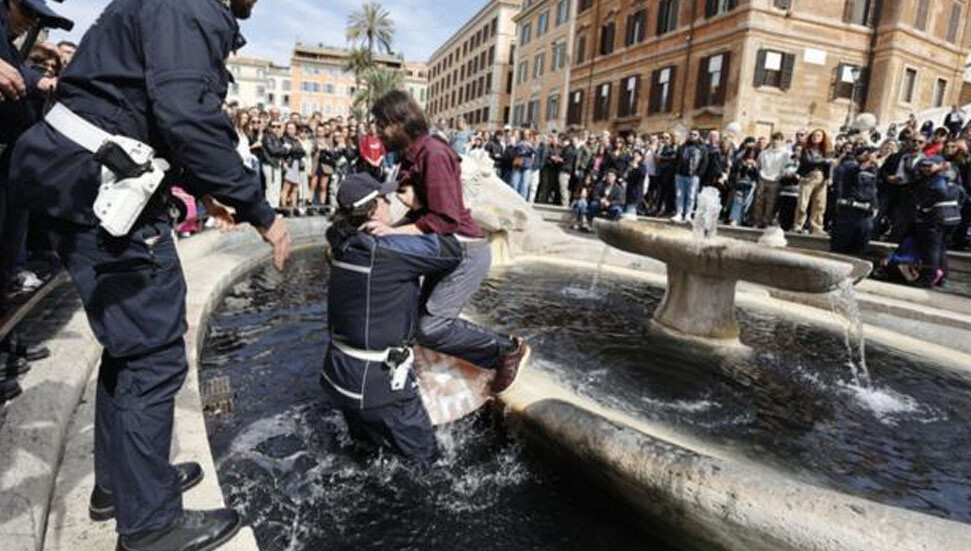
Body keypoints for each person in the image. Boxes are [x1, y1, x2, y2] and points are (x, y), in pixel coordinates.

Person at [9, 1, 293, 550]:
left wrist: (205, 187)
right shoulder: (189, 6)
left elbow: (150, 108)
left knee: (130, 344)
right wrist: (259, 209)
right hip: (99, 184)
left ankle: (123, 486)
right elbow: (185, 114)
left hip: (76, 172)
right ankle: (150, 525)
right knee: (154, 353)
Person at [369, 90, 528, 393]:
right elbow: (425, 214)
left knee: (431, 328)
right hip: (444, 250)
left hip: (465, 251)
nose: (377, 131)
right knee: (419, 324)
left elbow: (445, 218)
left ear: (400, 121)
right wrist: (389, 227)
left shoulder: (434, 153)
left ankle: (507, 350)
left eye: (381, 124)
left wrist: (392, 231)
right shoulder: (412, 155)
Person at [322, 173, 462, 469]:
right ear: (374, 211)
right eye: (385, 199)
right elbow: (451, 251)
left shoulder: (339, 240)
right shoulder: (387, 250)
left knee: (364, 459)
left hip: (339, 377)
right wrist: (415, 224)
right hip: (380, 385)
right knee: (427, 468)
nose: (390, 202)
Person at [1, 0, 70, 404]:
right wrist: (38, 81)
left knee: (8, 269)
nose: (30, 24)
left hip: (12, 166)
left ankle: (8, 348)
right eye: (27, 13)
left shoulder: (11, 45)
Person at [830, 146, 879, 255]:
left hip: (865, 213)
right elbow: (850, 175)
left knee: (860, 245)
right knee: (841, 246)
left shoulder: (874, 171)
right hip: (848, 212)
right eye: (867, 155)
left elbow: (874, 190)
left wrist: (875, 205)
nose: (872, 158)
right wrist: (865, 163)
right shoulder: (849, 166)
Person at [794, 129, 832, 234]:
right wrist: (825, 161)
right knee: (803, 203)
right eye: (814, 135)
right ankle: (798, 224)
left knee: (820, 204)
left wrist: (829, 177)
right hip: (808, 176)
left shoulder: (826, 151)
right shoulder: (806, 149)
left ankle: (817, 226)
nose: (816, 137)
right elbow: (808, 161)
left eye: (819, 136)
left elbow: (829, 166)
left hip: (821, 177)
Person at [752, 132, 788, 227]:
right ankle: (757, 221)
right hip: (763, 178)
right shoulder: (764, 153)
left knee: (771, 202)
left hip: (775, 180)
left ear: (781, 141)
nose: (775, 142)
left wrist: (780, 176)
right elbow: (758, 164)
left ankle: (766, 221)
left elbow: (785, 167)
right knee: (759, 201)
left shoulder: (785, 154)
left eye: (778, 140)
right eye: (774, 139)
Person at [673, 129, 709, 223]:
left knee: (691, 196)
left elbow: (704, 162)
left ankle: (688, 214)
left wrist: (698, 174)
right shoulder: (682, 147)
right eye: (690, 134)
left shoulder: (702, 148)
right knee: (679, 195)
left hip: (693, 176)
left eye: (695, 134)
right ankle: (679, 213)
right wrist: (676, 171)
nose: (692, 136)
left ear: (698, 136)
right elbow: (677, 159)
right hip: (680, 174)